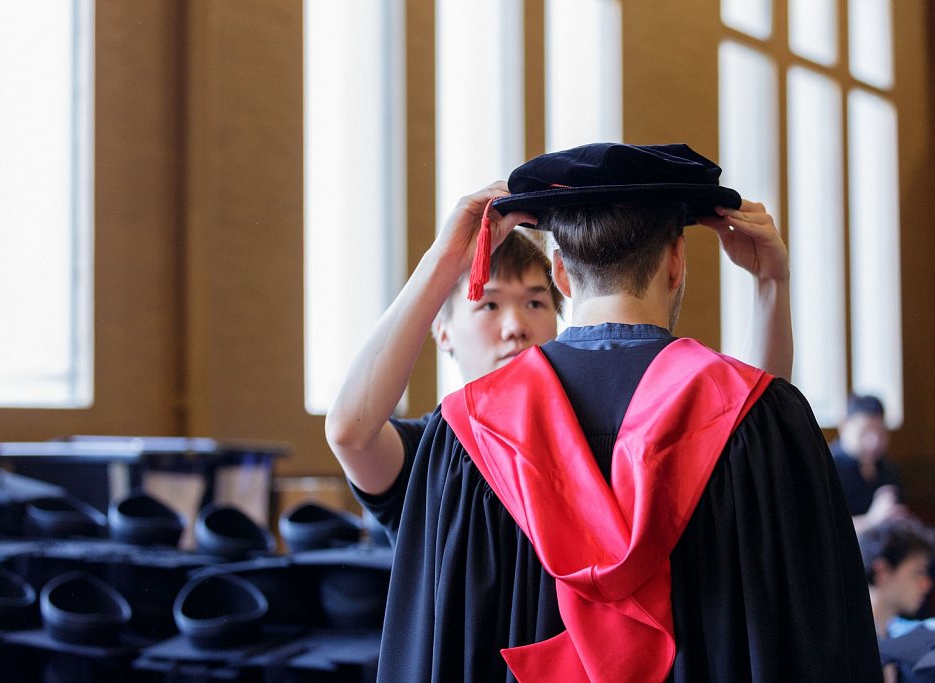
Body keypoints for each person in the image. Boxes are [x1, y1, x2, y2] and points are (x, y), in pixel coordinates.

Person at [328, 143, 879, 682]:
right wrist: (771, 283)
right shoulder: (753, 420)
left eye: (532, 300)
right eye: (489, 303)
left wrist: (445, 257)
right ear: (676, 263)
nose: (515, 324)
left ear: (561, 276)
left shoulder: (458, 444)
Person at [859, 518, 935, 681]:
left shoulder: (904, 635)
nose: (927, 584)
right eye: (918, 572)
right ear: (882, 572)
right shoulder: (852, 643)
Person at [832, 393, 907, 534]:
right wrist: (871, 520)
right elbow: (827, 532)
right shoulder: (827, 467)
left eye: (880, 433)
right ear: (844, 427)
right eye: (865, 432)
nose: (874, 442)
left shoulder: (887, 468)